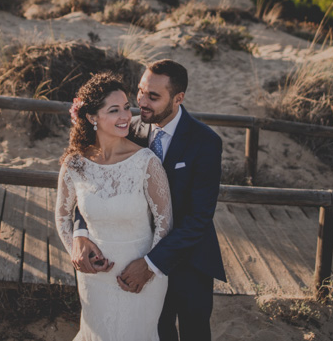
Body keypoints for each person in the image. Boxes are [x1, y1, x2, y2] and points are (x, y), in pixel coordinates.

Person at [73, 60, 226, 341]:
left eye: (153, 97)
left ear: (178, 98)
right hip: (134, 255)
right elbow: (94, 183)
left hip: (188, 260)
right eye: (140, 91)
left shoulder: (205, 142)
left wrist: (152, 263)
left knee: (194, 332)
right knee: (155, 330)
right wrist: (80, 232)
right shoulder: (126, 129)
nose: (141, 102)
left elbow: (199, 217)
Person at [56, 72, 173, 341]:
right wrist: (77, 250)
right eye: (113, 110)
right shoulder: (75, 164)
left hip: (140, 277)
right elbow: (62, 217)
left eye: (125, 107)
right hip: (94, 278)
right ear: (91, 117)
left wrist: (148, 268)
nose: (125, 116)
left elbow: (165, 222)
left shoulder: (146, 161)